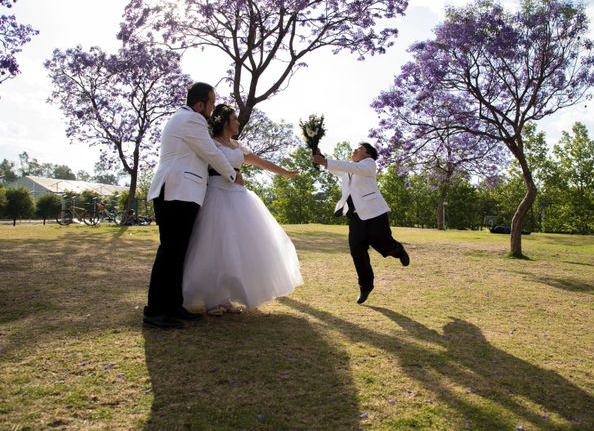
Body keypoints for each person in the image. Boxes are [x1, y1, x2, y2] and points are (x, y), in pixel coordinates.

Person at [182, 104, 303, 315]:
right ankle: (212, 299)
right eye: (234, 119)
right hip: (216, 195)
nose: (238, 122)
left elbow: (260, 162)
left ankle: (226, 298)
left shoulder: (238, 145)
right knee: (214, 246)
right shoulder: (210, 143)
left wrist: (286, 173)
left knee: (235, 248)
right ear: (225, 122)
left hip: (239, 197)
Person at [143, 82, 243, 329]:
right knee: (170, 251)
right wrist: (233, 174)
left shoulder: (183, 118)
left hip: (180, 191)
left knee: (178, 252)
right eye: (211, 102)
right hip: (177, 191)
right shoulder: (192, 120)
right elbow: (211, 153)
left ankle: (174, 305)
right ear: (200, 104)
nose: (212, 108)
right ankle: (155, 311)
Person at [312, 143, 410, 304]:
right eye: (354, 149)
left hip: (375, 213)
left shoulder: (369, 164)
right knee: (356, 250)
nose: (354, 150)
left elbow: (348, 167)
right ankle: (365, 286)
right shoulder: (349, 170)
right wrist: (321, 158)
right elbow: (337, 169)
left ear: (368, 153)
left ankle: (397, 250)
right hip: (356, 217)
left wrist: (324, 161)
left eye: (358, 149)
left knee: (383, 245)